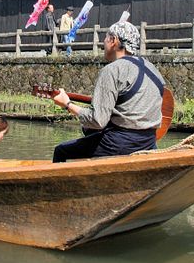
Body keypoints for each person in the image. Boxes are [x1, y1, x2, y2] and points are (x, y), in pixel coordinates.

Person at [51, 21, 166, 162]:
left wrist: (67, 104)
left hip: (120, 144)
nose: (103, 43)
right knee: (89, 131)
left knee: (61, 151)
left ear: (113, 40)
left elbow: (97, 120)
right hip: (149, 142)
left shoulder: (112, 70)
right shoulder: (153, 69)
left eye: (105, 38)